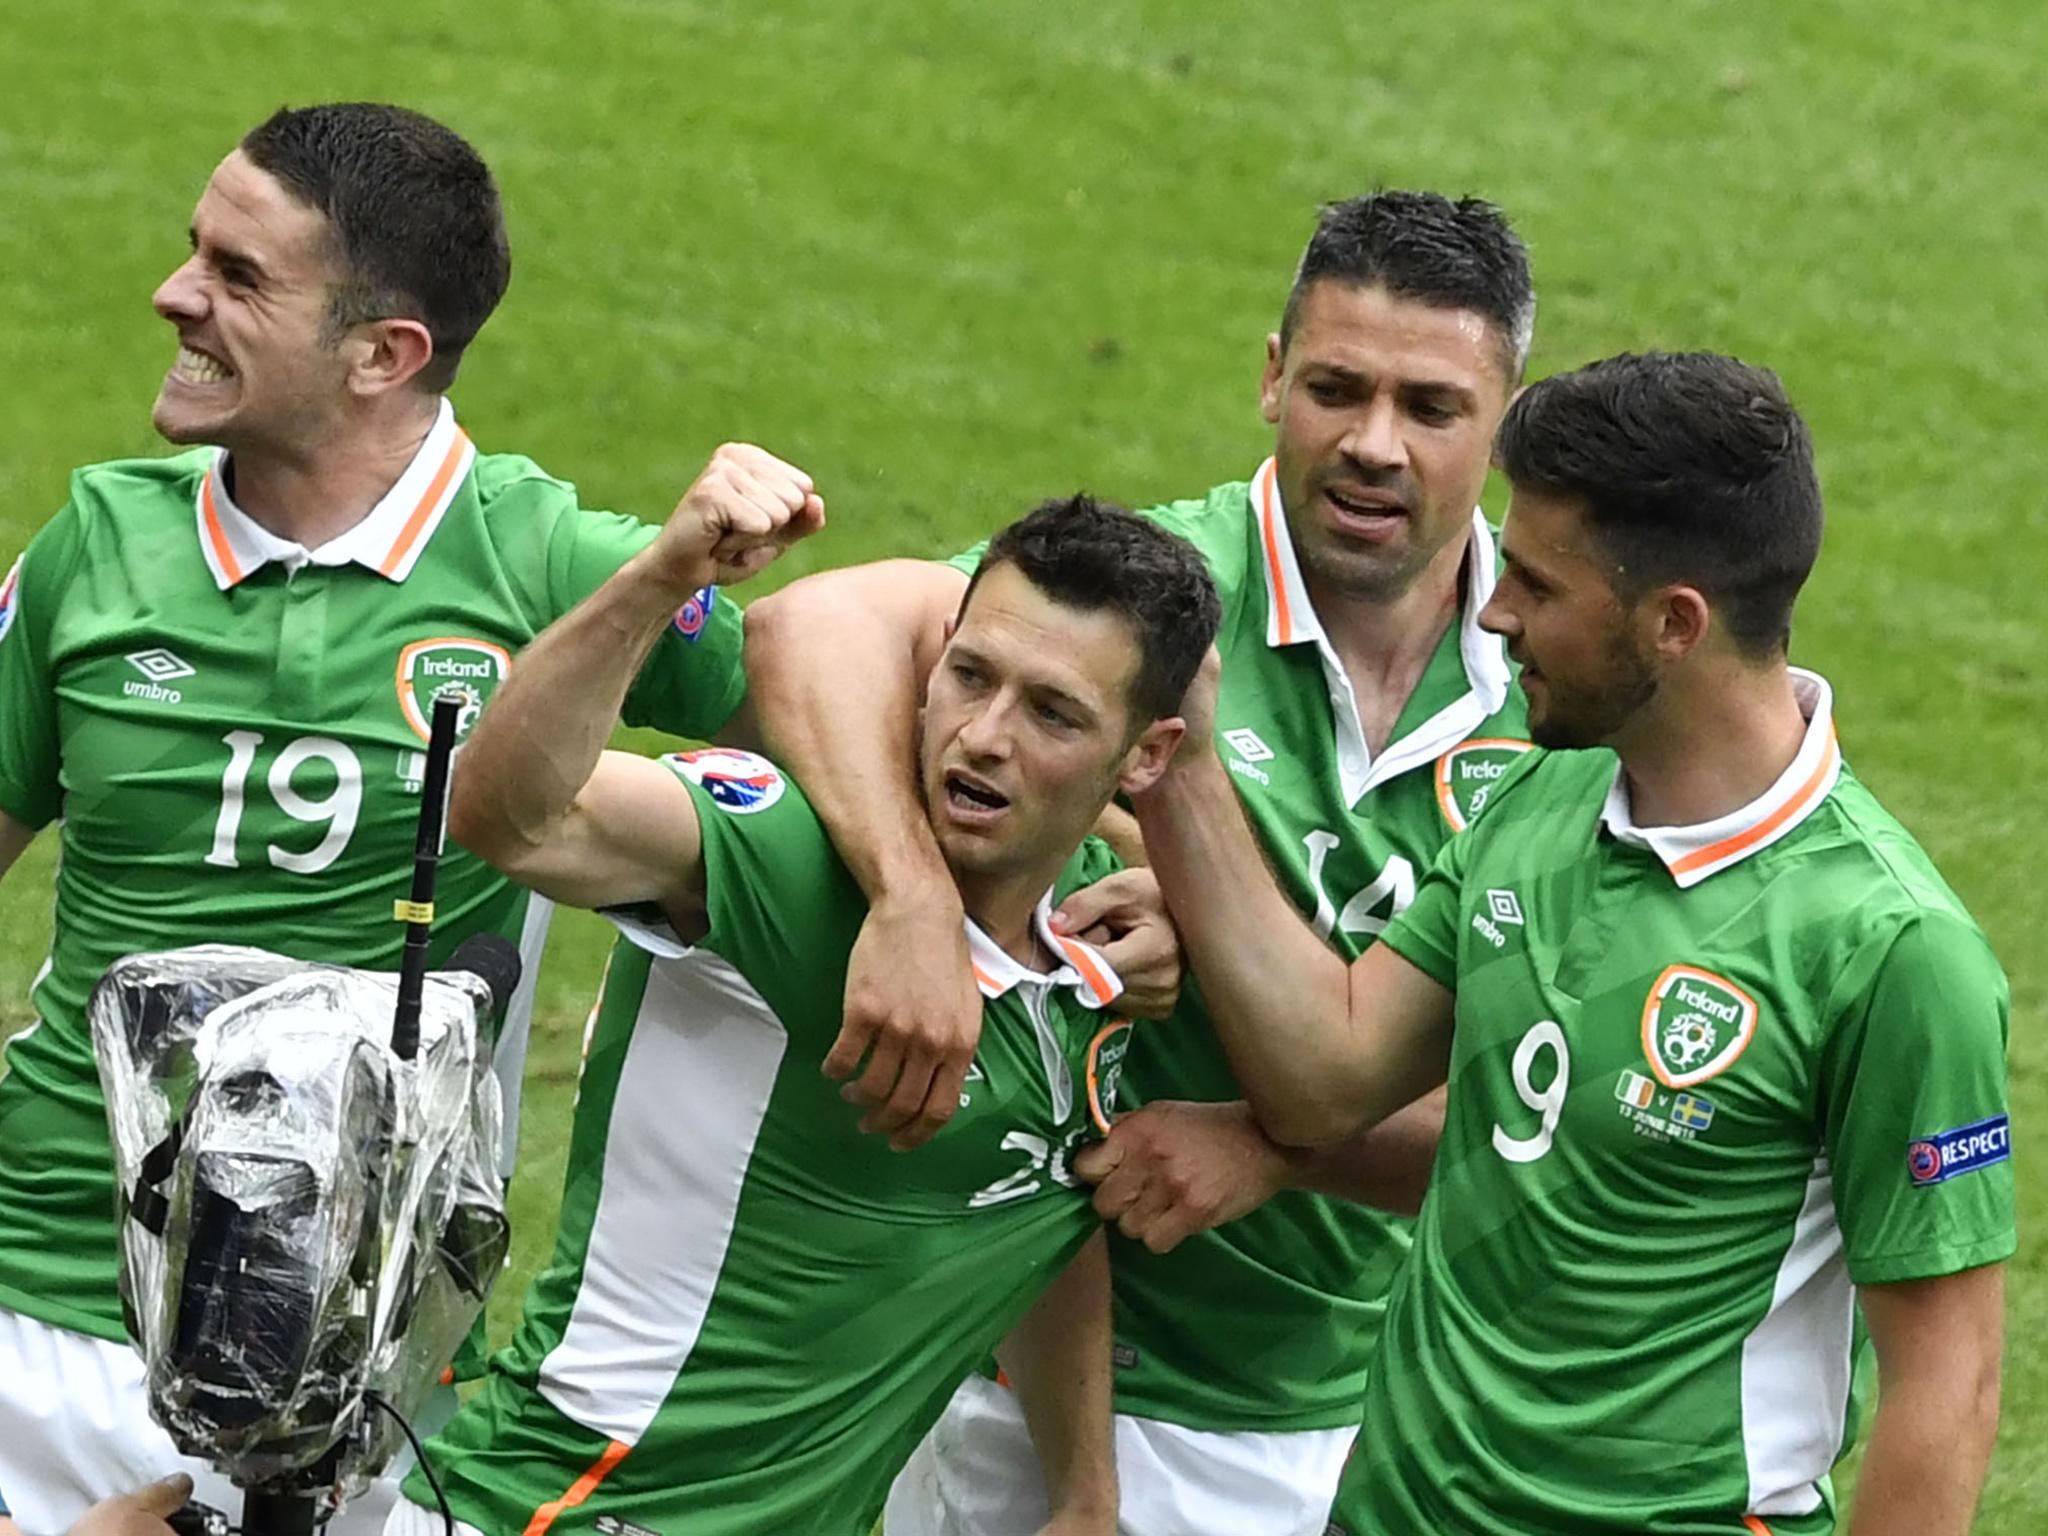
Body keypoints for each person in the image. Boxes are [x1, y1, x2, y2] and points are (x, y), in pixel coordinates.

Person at [0, 104, 765, 1530]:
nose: (177, 296)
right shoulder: (91, 550)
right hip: (37, 1303)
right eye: (194, 254)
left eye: (238, 276)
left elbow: (843, 688)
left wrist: (917, 901)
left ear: (383, 354)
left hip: (341, 1357)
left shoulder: (550, 568)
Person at [741, 191, 1535, 1532]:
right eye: (1336, 388)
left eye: (1433, 408)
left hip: (1386, 1402)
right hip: (1036, 1398)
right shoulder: (1158, 599)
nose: (1375, 447)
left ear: (1506, 421)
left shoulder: (1553, 684)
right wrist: (916, 900)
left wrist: (1286, 1150)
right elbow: (803, 634)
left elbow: (1556, 1115)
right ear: (1270, 378)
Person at [1122, 351, 2011, 1534]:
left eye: (1535, 585)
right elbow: (1328, 1073)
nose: (1493, 613)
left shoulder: (1888, 948)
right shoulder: (1530, 805)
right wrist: (1184, 778)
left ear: (1672, 624)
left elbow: (1946, 1389)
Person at [383, 487, 1220, 1536]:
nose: (985, 736)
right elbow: (512, 817)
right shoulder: (780, 849)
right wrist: (658, 583)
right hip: (570, 1509)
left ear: (1145, 756)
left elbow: (1027, 1196)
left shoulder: (1095, 938)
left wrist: (1085, 1491)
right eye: (967, 677)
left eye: (1052, 713)